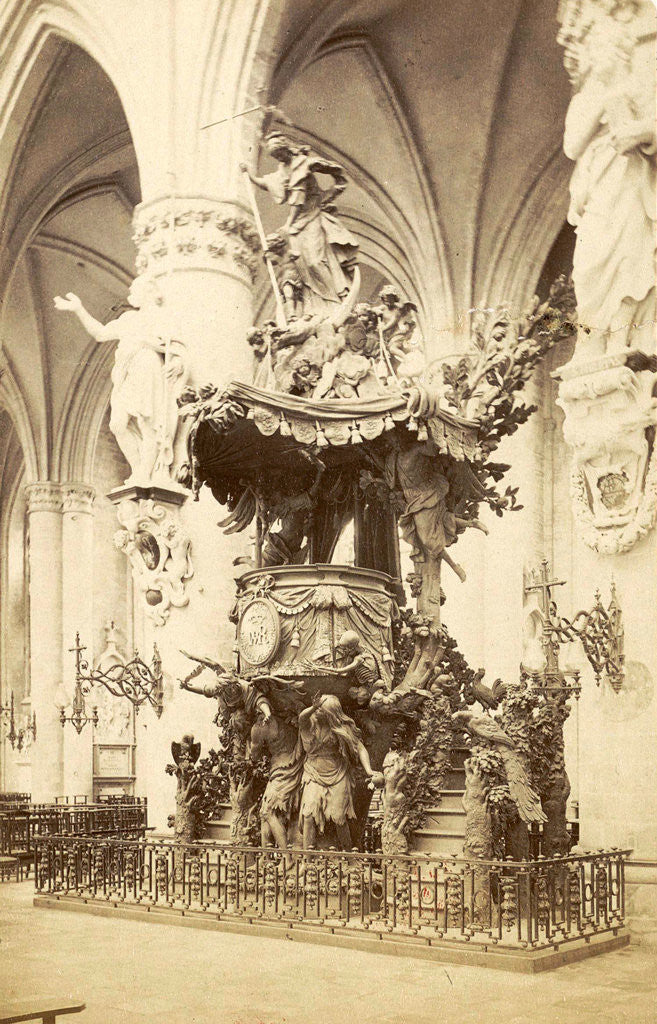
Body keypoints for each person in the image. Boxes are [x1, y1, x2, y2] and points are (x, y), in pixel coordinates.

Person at [562, 16, 656, 356]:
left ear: (620, 51)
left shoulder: (641, 89)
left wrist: (641, 133)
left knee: (632, 259)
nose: (596, 55)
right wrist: (603, 98)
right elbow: (572, 145)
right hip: (597, 190)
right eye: (592, 48)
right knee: (589, 266)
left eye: (603, 47)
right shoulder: (585, 99)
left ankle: (623, 341)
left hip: (631, 184)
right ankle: (593, 341)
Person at [53, 276, 187, 484]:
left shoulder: (163, 318)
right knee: (118, 424)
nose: (132, 295)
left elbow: (178, 348)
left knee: (147, 423)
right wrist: (79, 309)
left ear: (149, 292)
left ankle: (144, 474)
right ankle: (139, 469)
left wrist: (178, 363)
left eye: (136, 290)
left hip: (147, 365)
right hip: (126, 372)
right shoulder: (129, 319)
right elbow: (100, 333)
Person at [241, 133, 359, 314]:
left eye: (280, 154)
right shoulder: (283, 168)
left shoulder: (302, 164)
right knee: (300, 263)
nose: (279, 159)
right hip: (298, 224)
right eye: (276, 157)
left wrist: (290, 223)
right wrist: (250, 175)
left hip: (310, 218)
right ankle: (312, 305)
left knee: (314, 262)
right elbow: (270, 183)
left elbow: (297, 200)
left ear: (287, 148)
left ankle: (335, 300)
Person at [297, 693, 383, 849]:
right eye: (317, 709)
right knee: (308, 815)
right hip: (313, 773)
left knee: (339, 817)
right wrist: (313, 707)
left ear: (330, 714)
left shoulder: (341, 728)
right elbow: (301, 719)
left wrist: (369, 770)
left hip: (338, 773)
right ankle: (307, 861)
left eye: (321, 710)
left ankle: (349, 856)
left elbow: (359, 747)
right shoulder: (310, 724)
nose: (317, 712)